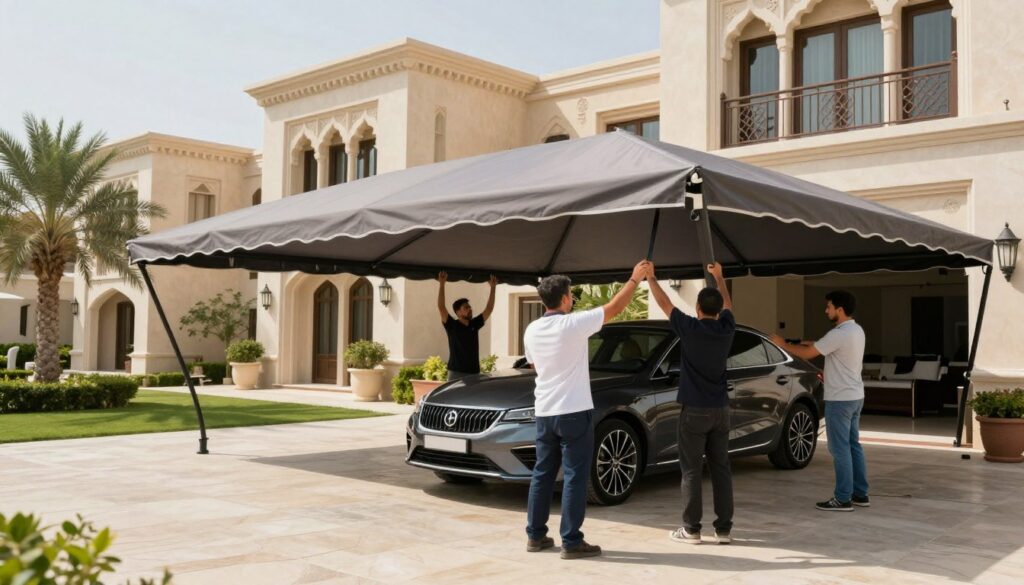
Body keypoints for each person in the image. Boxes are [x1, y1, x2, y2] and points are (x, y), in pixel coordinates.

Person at [524, 260, 650, 560]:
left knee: (542, 473)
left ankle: (536, 536)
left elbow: (534, 365)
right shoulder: (573, 323)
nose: (573, 299)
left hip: (544, 411)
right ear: (565, 298)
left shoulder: (531, 329)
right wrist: (634, 279)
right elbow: (614, 308)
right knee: (575, 475)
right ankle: (571, 541)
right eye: (571, 294)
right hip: (573, 411)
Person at [647, 262, 736, 545]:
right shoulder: (726, 329)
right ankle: (723, 530)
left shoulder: (690, 328)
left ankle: (692, 529)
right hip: (721, 410)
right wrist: (720, 278)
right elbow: (729, 307)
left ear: (697, 308)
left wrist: (651, 277)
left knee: (691, 469)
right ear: (718, 310)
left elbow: (664, 303)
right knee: (721, 468)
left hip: (694, 411)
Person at [771, 290, 868, 512]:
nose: (826, 310)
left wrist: (782, 343)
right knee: (854, 446)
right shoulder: (856, 330)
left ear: (839, 309)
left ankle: (843, 498)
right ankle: (860, 494)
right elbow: (831, 347)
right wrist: (813, 342)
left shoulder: (838, 334)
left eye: (829, 307)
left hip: (839, 400)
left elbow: (806, 355)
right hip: (855, 397)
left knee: (839, 449)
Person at [437, 271, 497, 381]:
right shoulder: (451, 325)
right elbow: (441, 307)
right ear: (458, 312)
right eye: (466, 308)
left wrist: (493, 288)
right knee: (453, 399)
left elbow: (489, 309)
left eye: (470, 307)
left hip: (474, 373)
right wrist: (442, 284)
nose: (470, 309)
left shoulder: (474, 324)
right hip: (456, 373)